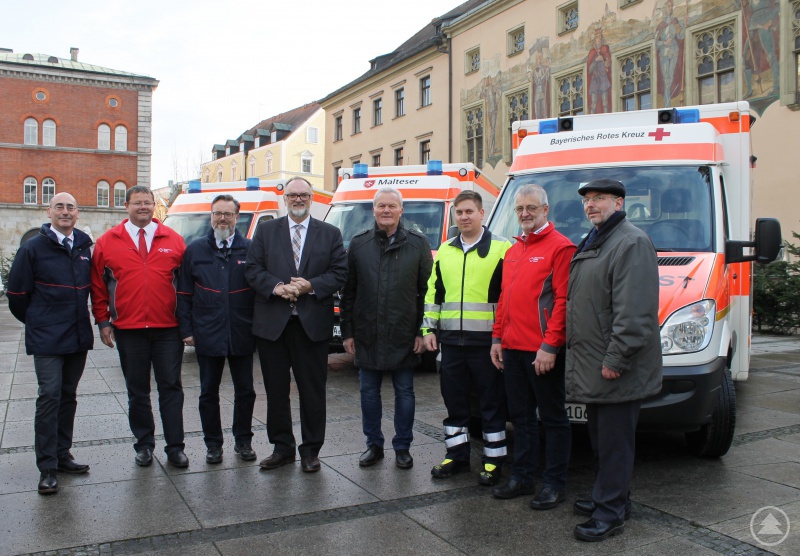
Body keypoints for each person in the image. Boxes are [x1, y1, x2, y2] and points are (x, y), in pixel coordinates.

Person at [567, 179, 662, 542]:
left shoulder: (630, 242)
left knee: (614, 443)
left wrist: (616, 358)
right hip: (596, 361)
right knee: (602, 440)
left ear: (619, 203)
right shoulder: (598, 238)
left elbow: (635, 313)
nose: (591, 205)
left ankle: (610, 514)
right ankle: (610, 498)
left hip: (614, 365)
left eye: (600, 199)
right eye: (587, 200)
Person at [245, 177, 347, 473]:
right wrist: (277, 287)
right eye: (292, 195)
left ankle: (311, 451)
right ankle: (282, 448)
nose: (298, 199)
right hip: (273, 325)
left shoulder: (330, 233)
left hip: (311, 325)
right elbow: (252, 269)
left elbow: (340, 272)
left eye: (303, 194)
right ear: (285, 198)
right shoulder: (266, 231)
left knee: (312, 391)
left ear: (311, 198)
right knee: (276, 391)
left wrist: (310, 286)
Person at [490, 184, 575, 510]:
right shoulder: (513, 250)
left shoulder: (561, 248)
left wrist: (551, 346)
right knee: (522, 418)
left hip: (542, 352)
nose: (525, 214)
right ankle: (522, 477)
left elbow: (563, 301)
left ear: (545, 210)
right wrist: (497, 338)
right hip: (512, 348)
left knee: (553, 419)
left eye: (531, 208)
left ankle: (554, 484)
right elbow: (504, 299)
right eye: (520, 209)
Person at [91, 185, 188, 468]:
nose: (143, 207)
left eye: (148, 202)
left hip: (168, 329)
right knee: (137, 391)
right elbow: (98, 286)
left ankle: (175, 447)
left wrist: (188, 323)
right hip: (129, 329)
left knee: (171, 388)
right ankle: (144, 445)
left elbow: (186, 286)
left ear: (154, 205)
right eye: (137, 203)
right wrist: (103, 321)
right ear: (126, 206)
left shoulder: (174, 240)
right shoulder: (107, 242)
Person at [422, 190, 510, 485]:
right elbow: (434, 292)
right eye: (459, 212)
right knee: (455, 402)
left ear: (482, 213)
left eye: (469, 211)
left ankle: (494, 460)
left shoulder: (502, 248)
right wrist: (428, 329)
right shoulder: (445, 250)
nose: (464, 217)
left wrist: (502, 337)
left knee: (491, 404)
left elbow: (509, 296)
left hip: (487, 344)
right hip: (450, 342)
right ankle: (456, 456)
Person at [340, 187, 433, 469]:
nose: (386, 210)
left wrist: (422, 331)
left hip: (404, 334)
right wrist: (348, 331)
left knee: (405, 393)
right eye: (381, 205)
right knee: (369, 393)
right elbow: (349, 292)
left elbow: (426, 292)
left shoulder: (418, 244)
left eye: (392, 206)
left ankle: (403, 447)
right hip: (367, 333)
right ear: (374, 210)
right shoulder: (359, 244)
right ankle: (374, 445)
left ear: (401, 210)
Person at [8, 193, 93, 494]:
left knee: (68, 396)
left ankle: (62, 454)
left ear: (77, 213)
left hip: (77, 336)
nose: (65, 211)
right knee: (49, 396)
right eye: (59, 207)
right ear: (49, 212)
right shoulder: (32, 248)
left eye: (70, 207)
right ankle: (47, 467)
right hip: (47, 338)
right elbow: (17, 295)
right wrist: (39, 320)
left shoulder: (83, 246)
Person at [177, 195, 257, 465]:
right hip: (207, 332)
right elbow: (184, 293)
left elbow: (259, 291)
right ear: (211, 216)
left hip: (242, 332)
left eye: (228, 214)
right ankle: (213, 445)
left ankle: (243, 441)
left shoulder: (250, 249)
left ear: (237, 217)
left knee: (245, 391)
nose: (222, 218)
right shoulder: (195, 250)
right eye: (217, 213)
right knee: (208, 392)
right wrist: (186, 330)